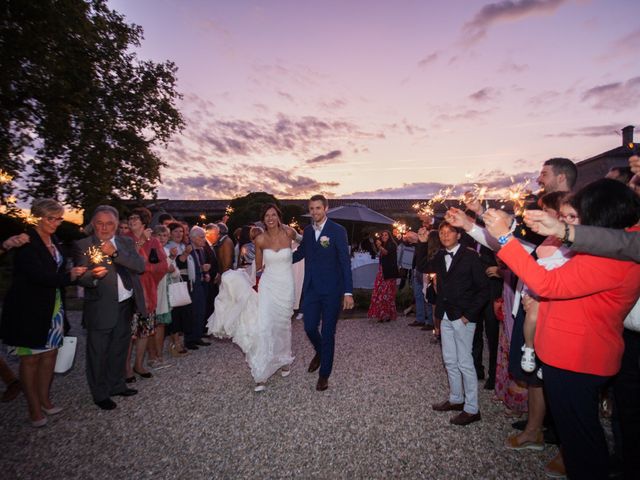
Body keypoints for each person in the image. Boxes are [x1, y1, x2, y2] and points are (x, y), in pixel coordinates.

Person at [483, 178, 640, 480]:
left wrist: (505, 239)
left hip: (577, 358)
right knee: (579, 433)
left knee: (581, 442)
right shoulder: (616, 249)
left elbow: (547, 284)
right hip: (577, 354)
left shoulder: (612, 260)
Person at [0, 199, 87, 426]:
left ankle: (45, 400)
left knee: (50, 355)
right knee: (31, 359)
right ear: (37, 217)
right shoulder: (26, 242)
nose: (57, 222)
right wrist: (70, 276)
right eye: (52, 218)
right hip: (28, 308)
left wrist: (70, 271)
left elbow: (54, 270)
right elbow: (38, 277)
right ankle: (33, 407)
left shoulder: (54, 239)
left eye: (59, 218)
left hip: (53, 306)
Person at [208, 204, 296, 391]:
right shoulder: (261, 239)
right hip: (268, 286)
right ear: (263, 219)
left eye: (273, 214)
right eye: (267, 216)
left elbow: (307, 244)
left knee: (282, 325)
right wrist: (253, 285)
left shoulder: (289, 232)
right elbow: (258, 267)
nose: (270, 218)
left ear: (279, 216)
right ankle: (261, 373)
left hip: (286, 286)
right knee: (264, 326)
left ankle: (284, 359)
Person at [415, 221, 489, 426]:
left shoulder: (471, 256)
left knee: (465, 362)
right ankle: (456, 398)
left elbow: (484, 290)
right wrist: (421, 244)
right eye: (442, 232)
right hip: (445, 315)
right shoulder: (439, 255)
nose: (445, 235)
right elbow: (421, 266)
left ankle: (472, 409)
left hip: (463, 317)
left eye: (450, 232)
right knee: (449, 359)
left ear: (458, 234)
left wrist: (469, 315)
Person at [74, 205, 146, 410]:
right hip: (100, 308)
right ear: (93, 224)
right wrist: (92, 277)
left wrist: (115, 255)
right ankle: (100, 393)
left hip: (125, 305)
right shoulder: (83, 245)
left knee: (119, 349)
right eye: (99, 223)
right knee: (98, 353)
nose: (104, 228)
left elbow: (139, 266)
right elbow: (81, 278)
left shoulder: (125, 242)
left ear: (116, 225)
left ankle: (117, 385)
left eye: (109, 224)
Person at [292, 194, 354, 391]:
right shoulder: (308, 231)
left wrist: (348, 292)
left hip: (332, 291)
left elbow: (345, 262)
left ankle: (324, 375)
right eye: (311, 208)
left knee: (328, 333)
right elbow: (301, 252)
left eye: (318, 208)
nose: (314, 212)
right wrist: (279, 257)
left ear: (326, 208)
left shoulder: (338, 231)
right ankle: (320, 352)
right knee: (309, 327)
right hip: (311, 289)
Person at [124, 208, 168, 379]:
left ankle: (139, 364)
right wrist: (140, 242)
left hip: (148, 290)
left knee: (143, 330)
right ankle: (126, 367)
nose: (131, 220)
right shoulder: (124, 239)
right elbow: (127, 261)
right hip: (129, 292)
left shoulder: (154, 242)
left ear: (144, 222)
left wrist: (146, 269)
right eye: (130, 217)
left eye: (135, 218)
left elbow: (163, 266)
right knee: (129, 332)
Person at [367, 230, 399, 322]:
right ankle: (381, 314)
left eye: (386, 235)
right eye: (383, 235)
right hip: (382, 272)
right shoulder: (384, 245)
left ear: (389, 236)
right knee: (380, 293)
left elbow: (385, 252)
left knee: (386, 294)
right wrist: (375, 245)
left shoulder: (392, 244)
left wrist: (379, 246)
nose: (384, 236)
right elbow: (379, 253)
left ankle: (386, 315)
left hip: (389, 273)